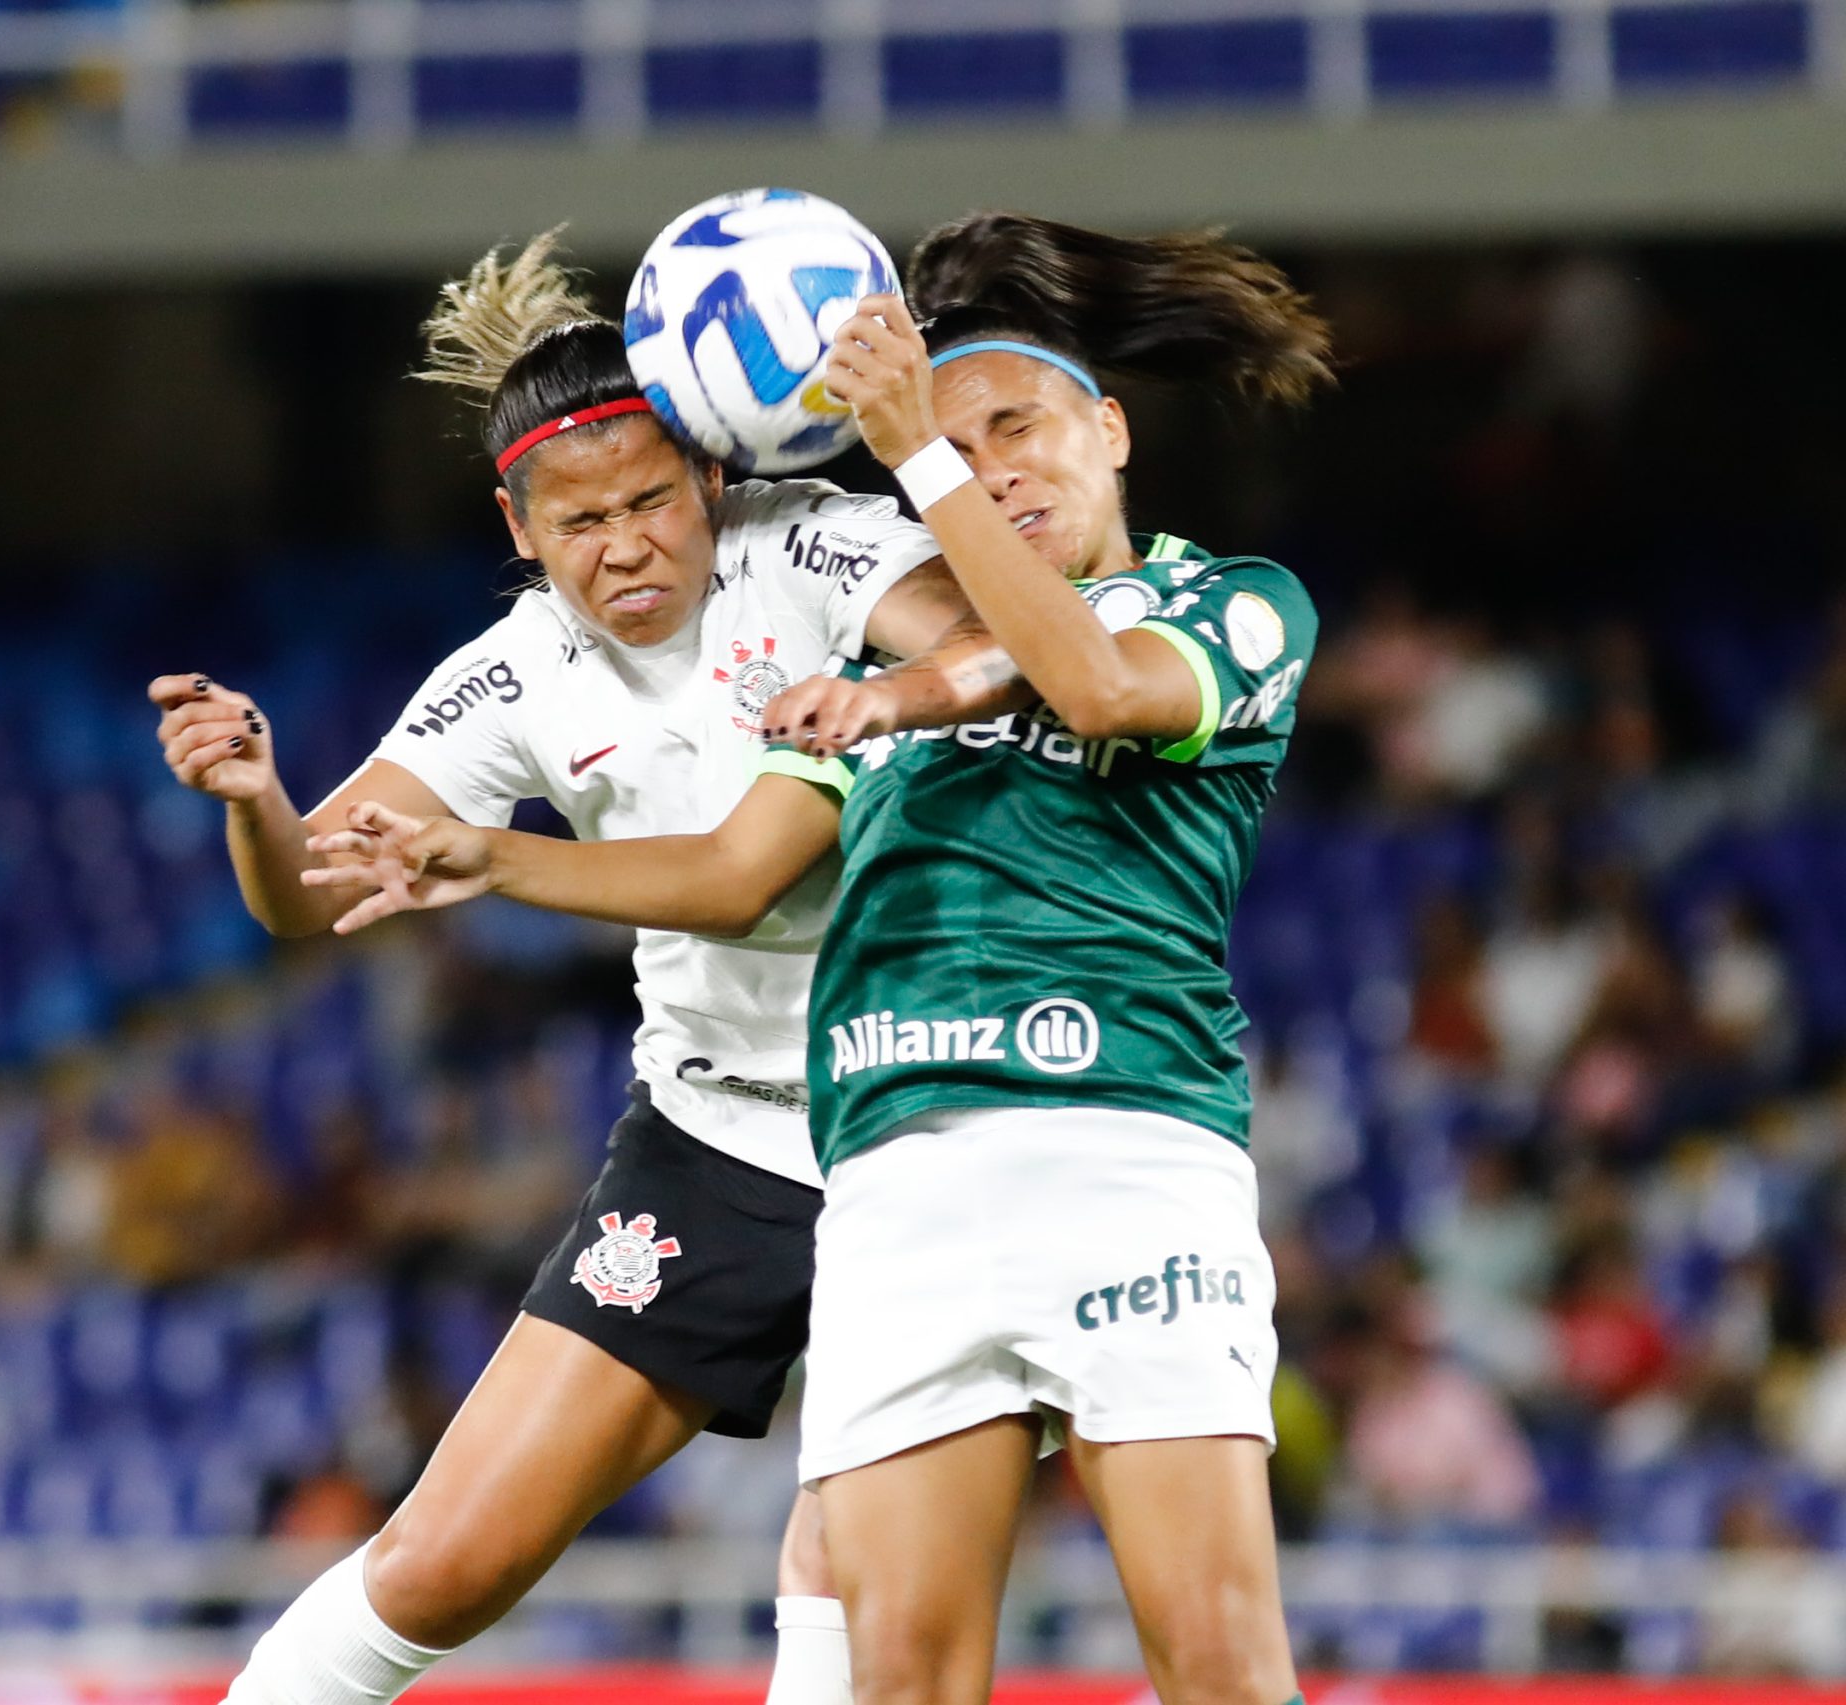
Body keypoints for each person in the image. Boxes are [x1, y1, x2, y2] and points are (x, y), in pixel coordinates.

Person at [312, 212, 1334, 1705]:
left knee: (1223, 1667)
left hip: (1124, 1154)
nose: (989, 461)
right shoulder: (884, 673)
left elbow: (1093, 677)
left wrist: (914, 450)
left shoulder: (1227, 603)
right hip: (893, 1189)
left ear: (1109, 429)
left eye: (1019, 427)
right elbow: (735, 870)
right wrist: (502, 854)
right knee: (897, 1673)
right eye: (959, 441)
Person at [149, 230, 1025, 1705]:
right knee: (443, 1559)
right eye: (579, 522)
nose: (623, 546)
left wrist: (500, 858)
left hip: (934, 1129)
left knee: (849, 1582)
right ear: (519, 530)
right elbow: (309, 893)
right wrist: (259, 803)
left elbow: (979, 676)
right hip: (716, 1141)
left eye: (647, 501)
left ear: (711, 479)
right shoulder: (515, 670)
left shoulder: (823, 549)